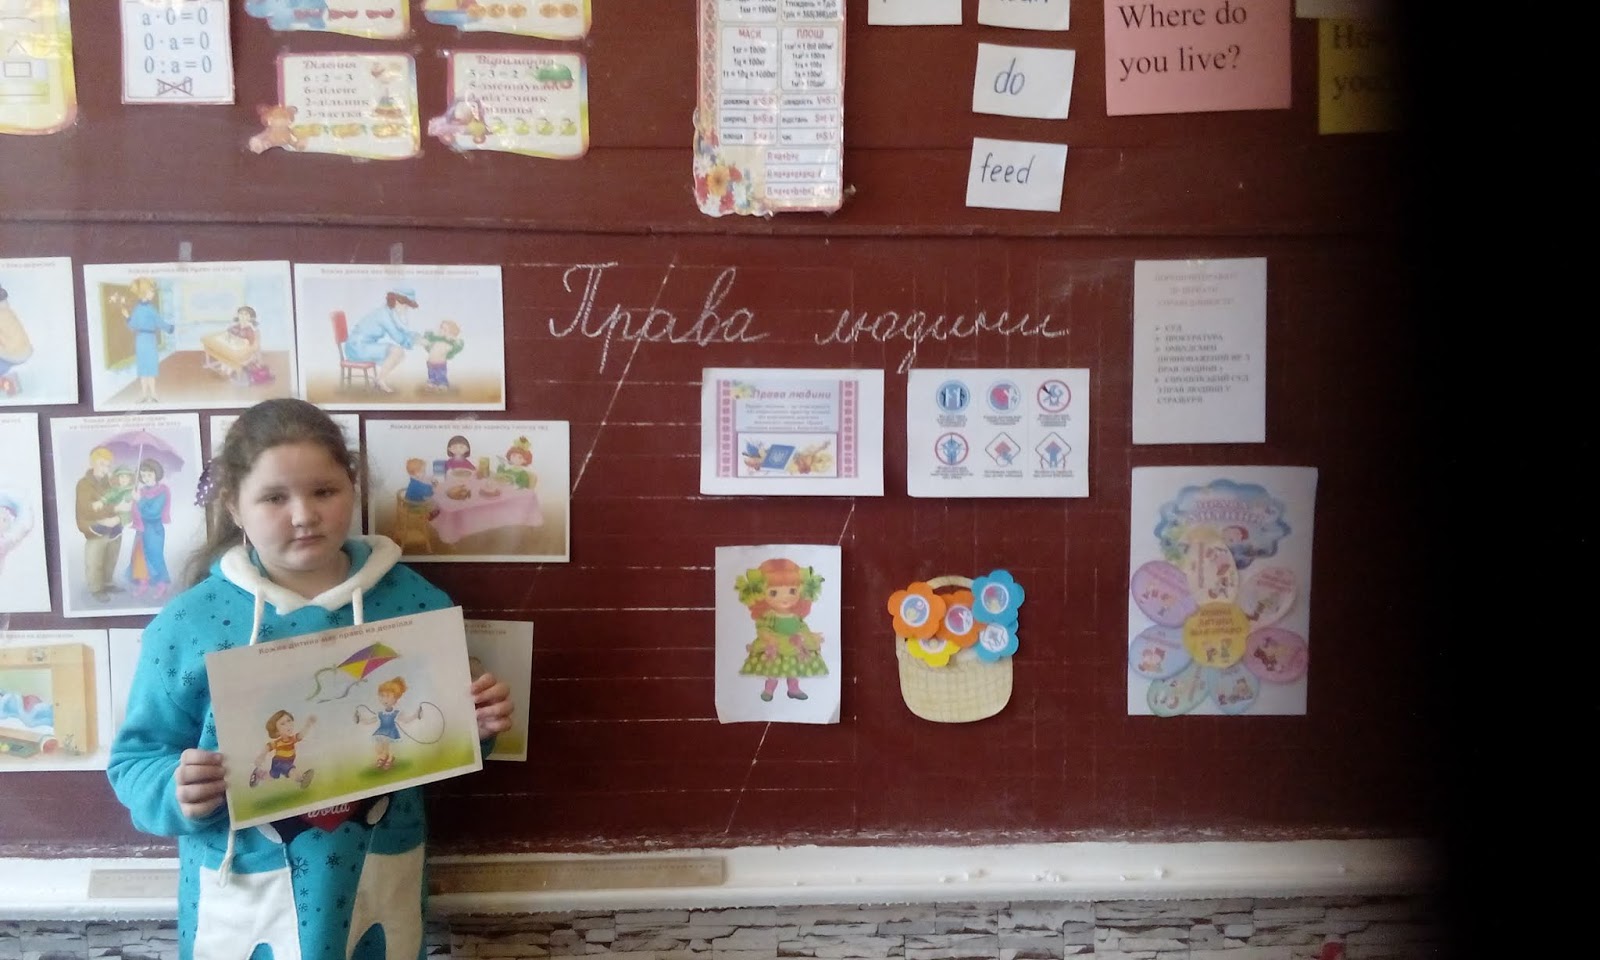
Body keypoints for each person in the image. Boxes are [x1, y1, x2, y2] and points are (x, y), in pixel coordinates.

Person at [106, 397, 513, 960]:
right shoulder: (189, 625)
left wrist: (479, 724)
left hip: (376, 874)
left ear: (352, 488)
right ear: (235, 506)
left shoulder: (414, 604)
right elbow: (136, 759)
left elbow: (437, 732)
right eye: (274, 498)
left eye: (324, 491)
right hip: (244, 888)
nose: (304, 514)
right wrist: (173, 788)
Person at [736, 558, 827, 702]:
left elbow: (802, 626)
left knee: (793, 670)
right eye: (773, 593)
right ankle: (769, 690)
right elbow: (762, 628)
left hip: (794, 645)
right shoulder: (770, 616)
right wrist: (768, 638)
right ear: (761, 595)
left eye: (792, 591)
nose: (785, 598)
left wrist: (808, 635)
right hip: (776, 645)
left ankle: (793, 690)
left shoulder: (795, 616)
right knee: (773, 671)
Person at [343, 285, 419, 394]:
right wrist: (416, 341)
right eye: (406, 306)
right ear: (398, 301)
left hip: (361, 345)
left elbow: (401, 329)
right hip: (357, 347)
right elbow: (397, 336)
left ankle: (379, 379)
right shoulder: (384, 314)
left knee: (399, 353)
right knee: (397, 352)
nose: (407, 309)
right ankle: (380, 380)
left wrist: (416, 337)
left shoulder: (389, 312)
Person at [74, 446, 123, 603]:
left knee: (111, 557)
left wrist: (118, 484)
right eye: (102, 464)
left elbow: (120, 494)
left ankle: (107, 582)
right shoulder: (84, 484)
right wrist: (110, 513)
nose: (105, 468)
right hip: (95, 527)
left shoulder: (110, 482)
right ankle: (96, 588)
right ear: (92, 463)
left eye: (108, 465)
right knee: (94, 559)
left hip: (114, 527)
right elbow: (86, 508)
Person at [121, 277, 173, 403]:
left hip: (141, 340)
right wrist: (170, 328)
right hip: (148, 340)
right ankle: (149, 395)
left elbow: (132, 326)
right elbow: (159, 322)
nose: (153, 293)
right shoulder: (150, 309)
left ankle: (149, 395)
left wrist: (127, 317)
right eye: (151, 291)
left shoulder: (138, 309)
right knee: (148, 369)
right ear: (144, 292)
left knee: (146, 369)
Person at [128, 458, 173, 599]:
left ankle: (161, 585)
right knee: (139, 556)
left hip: (154, 529)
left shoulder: (162, 491)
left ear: (156, 474)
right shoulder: (141, 491)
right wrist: (133, 501)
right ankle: (143, 583)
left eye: (149, 474)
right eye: (143, 475)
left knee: (154, 556)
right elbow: (135, 511)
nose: (146, 478)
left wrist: (139, 500)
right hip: (141, 529)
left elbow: (153, 512)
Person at [250, 710, 316, 789]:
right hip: (279, 762)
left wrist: (308, 725)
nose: (288, 725)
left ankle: (258, 774)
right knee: (291, 770)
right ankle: (302, 779)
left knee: (271, 777)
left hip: (288, 761)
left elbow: (300, 735)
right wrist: (262, 756)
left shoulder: (292, 739)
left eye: (289, 721)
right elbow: (268, 746)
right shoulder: (278, 742)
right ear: (277, 731)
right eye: (282, 724)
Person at [0, 283, 34, 396]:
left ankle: (10, 383)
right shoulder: (5, 310)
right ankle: (10, 383)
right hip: (21, 350)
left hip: (12, 353)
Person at [420, 318, 464, 392]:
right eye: (441, 328)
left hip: (440, 363)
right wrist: (426, 342)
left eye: (445, 330)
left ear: (450, 333)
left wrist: (452, 340)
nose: (441, 330)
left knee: (440, 375)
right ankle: (432, 383)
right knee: (431, 374)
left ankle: (443, 384)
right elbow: (429, 345)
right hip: (430, 363)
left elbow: (457, 346)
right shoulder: (436, 339)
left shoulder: (448, 342)